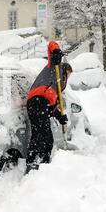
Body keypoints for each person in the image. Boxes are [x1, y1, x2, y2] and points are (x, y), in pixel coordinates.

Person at [25, 41, 72, 174]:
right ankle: (42, 165)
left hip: (39, 103)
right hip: (38, 100)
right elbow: (51, 44)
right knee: (44, 136)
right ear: (65, 69)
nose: (68, 77)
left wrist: (60, 116)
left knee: (40, 134)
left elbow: (51, 107)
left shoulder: (56, 87)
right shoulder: (54, 66)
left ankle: (36, 162)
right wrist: (56, 52)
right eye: (68, 74)